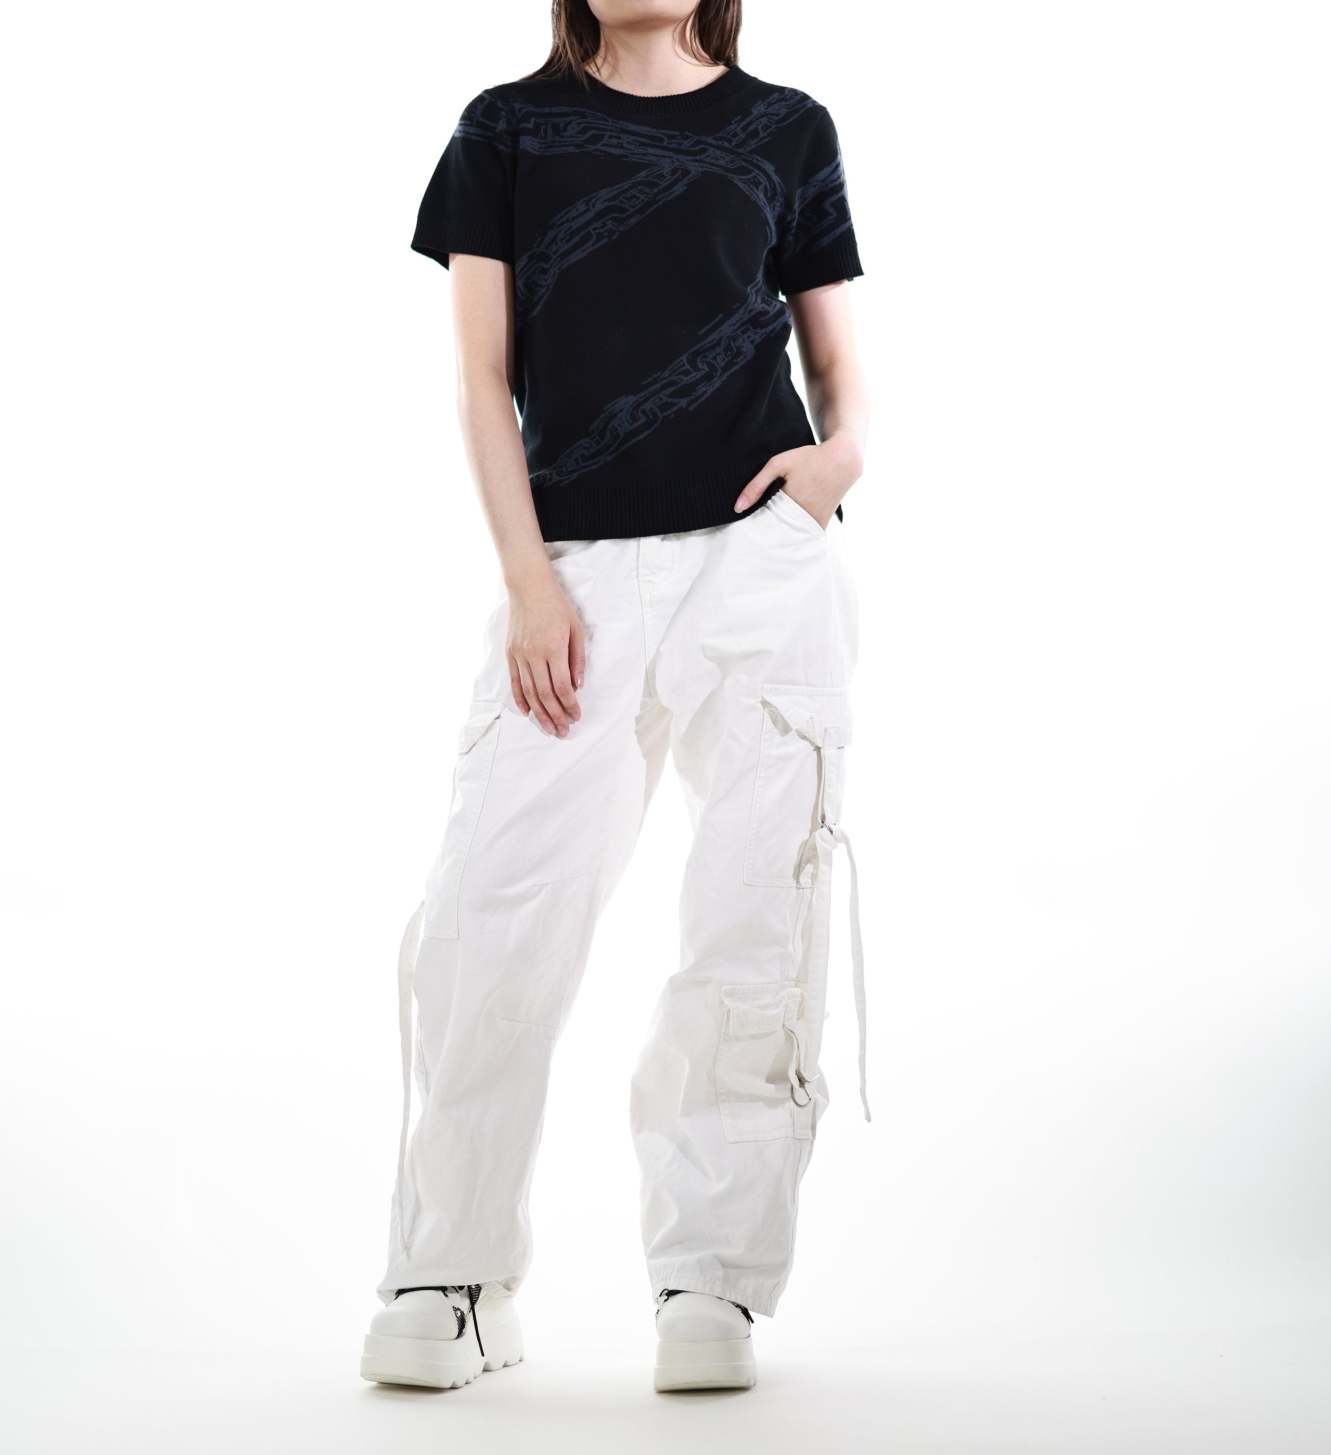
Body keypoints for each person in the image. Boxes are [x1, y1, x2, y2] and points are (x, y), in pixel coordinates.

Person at [360, 0, 869, 1393]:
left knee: (754, 916)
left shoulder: (786, 128)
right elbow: (480, 379)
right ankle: (453, 1273)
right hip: (572, 576)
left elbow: (834, 359)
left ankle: (714, 1279)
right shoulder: (505, 130)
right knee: (491, 914)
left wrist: (841, 461)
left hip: (758, 564)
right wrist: (530, 585)